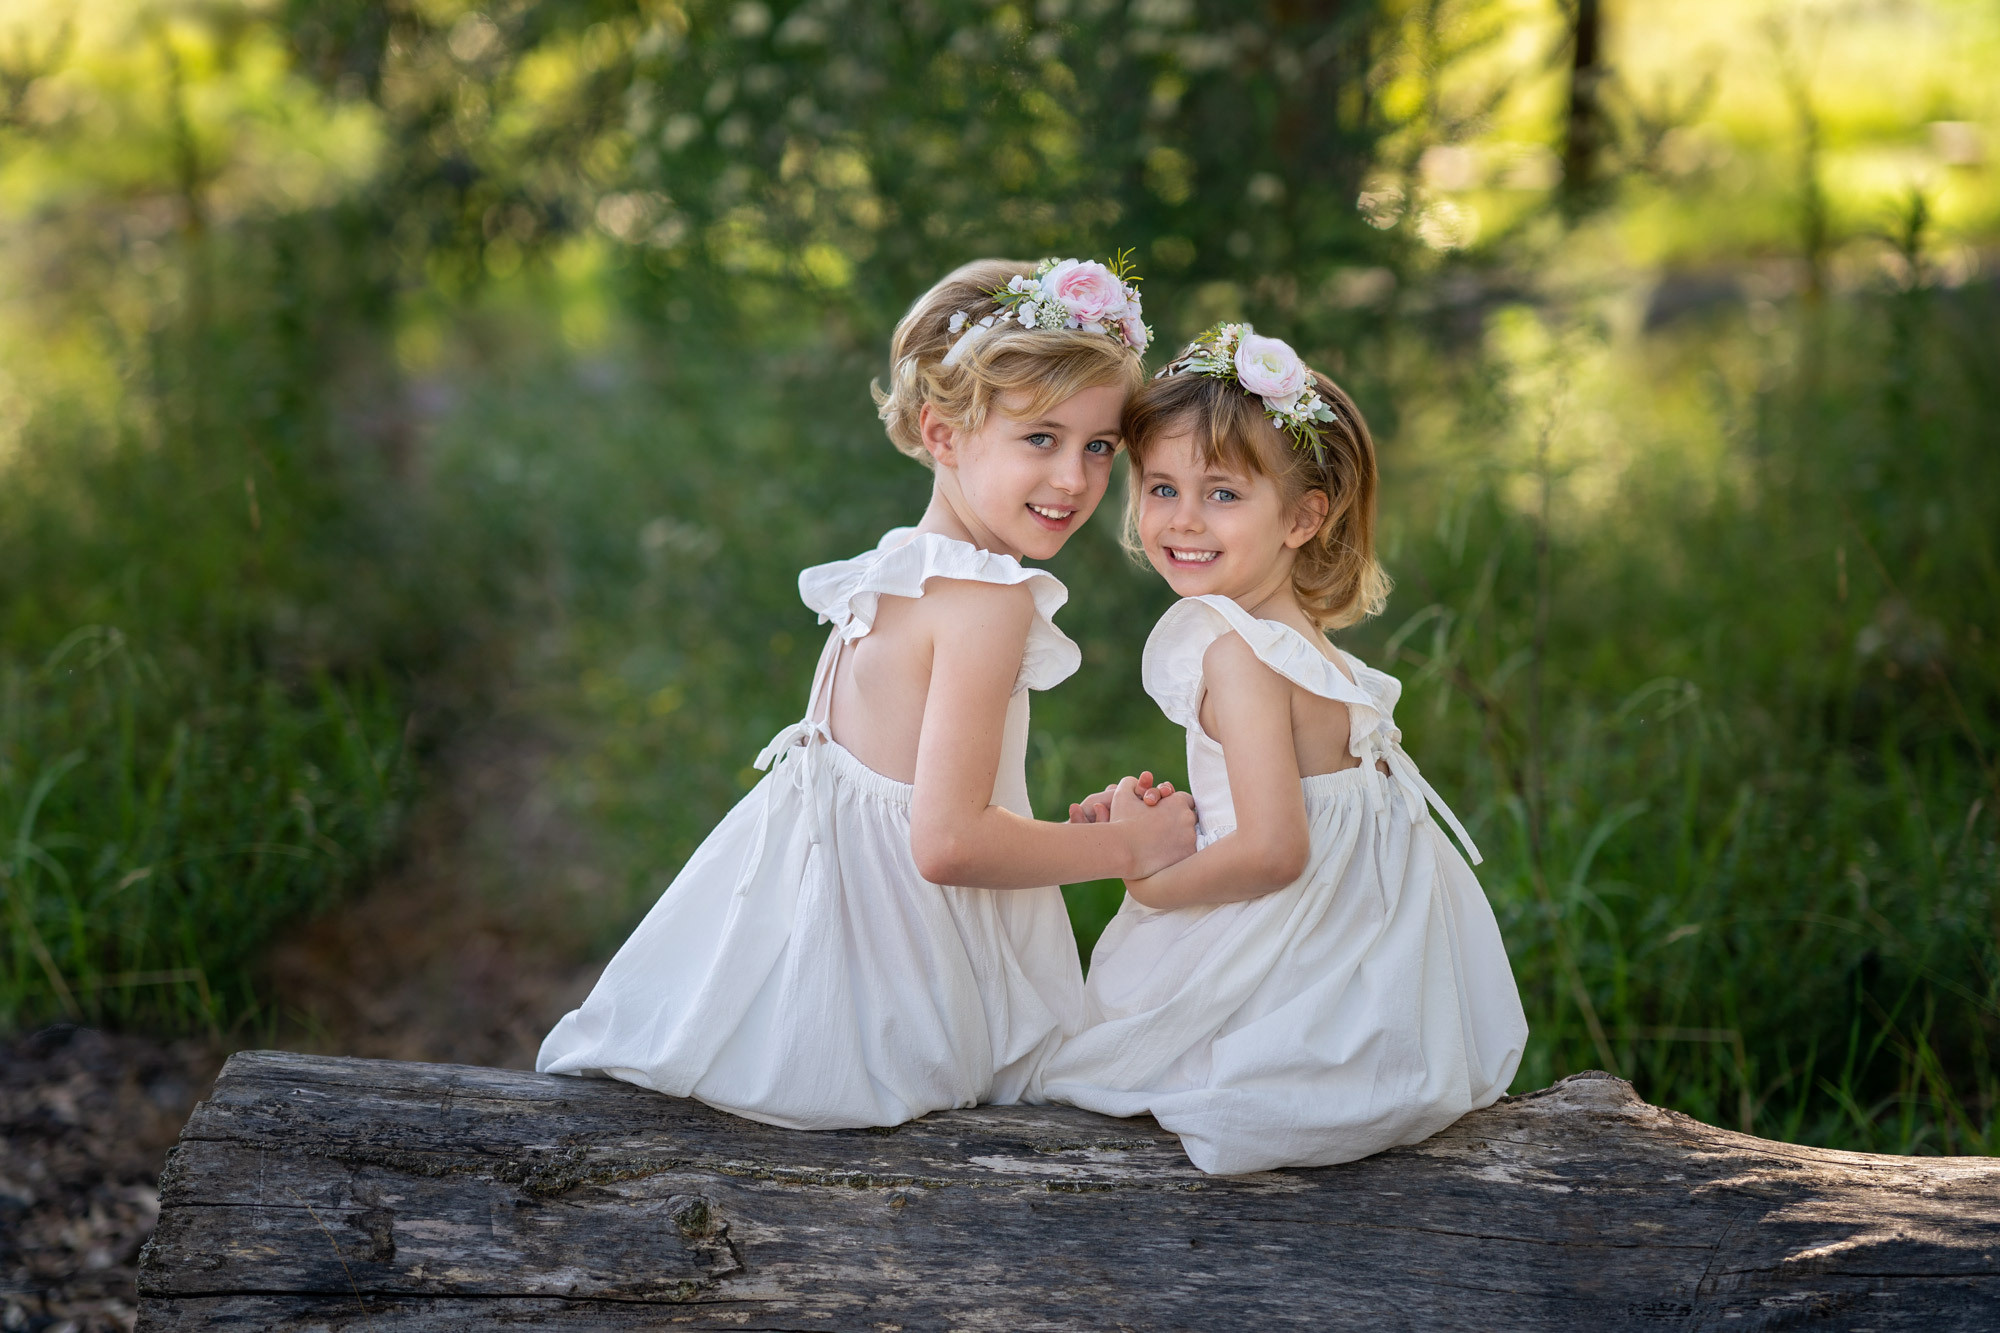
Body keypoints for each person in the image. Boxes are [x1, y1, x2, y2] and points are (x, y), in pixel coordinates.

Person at [537, 257, 1197, 1129]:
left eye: (1099, 446)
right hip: (897, 994)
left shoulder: (896, 569)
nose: (1074, 479)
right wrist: (1132, 848)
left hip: (816, 965)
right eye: (1040, 437)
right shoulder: (987, 603)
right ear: (944, 433)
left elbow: (913, 805)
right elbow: (950, 844)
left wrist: (1050, 839)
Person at [1043, 323, 1527, 1173]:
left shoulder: (1240, 654)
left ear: (1304, 515)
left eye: (1223, 494)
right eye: (1161, 487)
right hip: (1362, 963)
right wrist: (1178, 827)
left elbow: (1273, 849)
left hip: (1298, 950)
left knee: (1077, 1058)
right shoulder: (1298, 639)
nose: (1183, 519)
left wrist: (1148, 875)